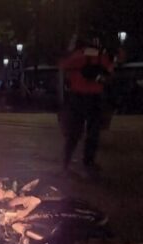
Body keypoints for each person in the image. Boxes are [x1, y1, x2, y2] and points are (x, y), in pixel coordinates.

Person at [58, 34, 113, 175]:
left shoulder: (77, 55)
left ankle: (66, 161)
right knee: (93, 132)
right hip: (95, 97)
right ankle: (88, 161)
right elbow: (110, 71)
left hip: (78, 97)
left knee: (74, 131)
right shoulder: (102, 56)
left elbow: (63, 65)